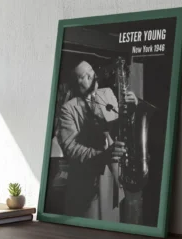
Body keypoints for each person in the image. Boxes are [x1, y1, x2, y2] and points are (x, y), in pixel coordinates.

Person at [56, 60, 138, 220]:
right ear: (76, 83)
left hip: (115, 177)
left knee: (114, 226)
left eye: (91, 70)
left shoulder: (107, 93)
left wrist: (132, 108)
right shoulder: (68, 109)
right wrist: (104, 155)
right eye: (85, 76)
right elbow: (72, 149)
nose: (91, 76)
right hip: (88, 183)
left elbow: (120, 125)